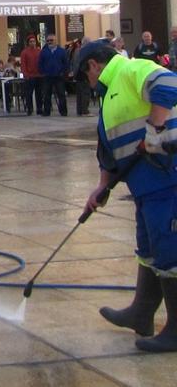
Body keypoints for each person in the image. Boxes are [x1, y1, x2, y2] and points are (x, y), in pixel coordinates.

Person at [79, 41, 177, 353]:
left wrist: (156, 127)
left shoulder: (132, 68)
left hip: (168, 179)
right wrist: (102, 187)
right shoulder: (108, 97)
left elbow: (169, 83)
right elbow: (109, 150)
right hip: (145, 189)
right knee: (149, 248)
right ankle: (142, 312)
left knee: (170, 250)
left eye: (85, 74)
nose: (87, 82)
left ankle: (176, 329)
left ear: (94, 65)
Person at [39, 34, 68, 116]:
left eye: (51, 40)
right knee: (46, 95)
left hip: (59, 76)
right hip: (47, 76)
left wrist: (63, 72)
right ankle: (46, 111)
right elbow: (40, 63)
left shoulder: (62, 51)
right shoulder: (44, 52)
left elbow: (66, 63)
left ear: (56, 41)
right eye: (48, 41)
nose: (49, 42)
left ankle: (63, 111)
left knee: (61, 94)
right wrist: (43, 72)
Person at [20, 34, 42, 116]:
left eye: (34, 41)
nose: (32, 43)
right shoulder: (24, 52)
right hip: (30, 76)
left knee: (39, 94)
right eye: (31, 41)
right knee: (28, 94)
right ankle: (29, 109)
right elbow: (23, 64)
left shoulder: (39, 51)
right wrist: (25, 74)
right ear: (28, 43)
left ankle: (39, 108)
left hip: (39, 75)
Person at [72, 37, 93, 116]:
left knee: (80, 94)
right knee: (85, 93)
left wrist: (74, 74)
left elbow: (74, 63)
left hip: (78, 74)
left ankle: (80, 110)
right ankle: (85, 111)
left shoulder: (77, 50)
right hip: (84, 74)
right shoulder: (85, 51)